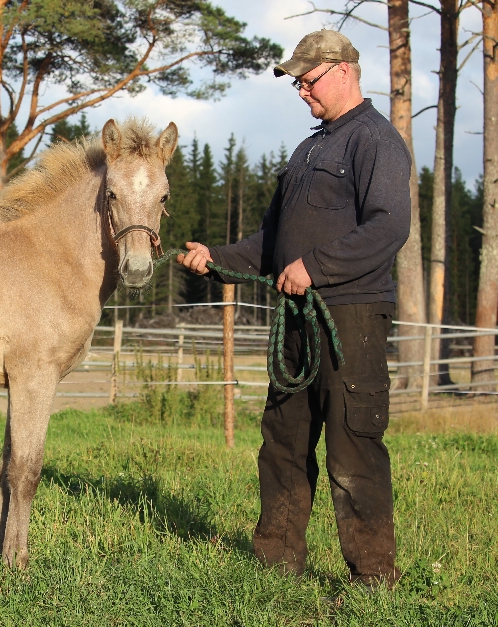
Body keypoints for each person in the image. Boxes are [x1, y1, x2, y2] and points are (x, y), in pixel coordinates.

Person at [177, 29, 410, 587]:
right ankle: (277, 564)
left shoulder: (377, 140)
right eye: (297, 83)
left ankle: (373, 576)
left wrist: (316, 268)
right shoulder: (309, 150)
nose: (301, 91)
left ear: (343, 71)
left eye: (308, 80)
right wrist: (216, 259)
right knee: (282, 440)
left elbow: (388, 226)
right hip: (296, 321)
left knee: (353, 445)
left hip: (349, 316)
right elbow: (271, 241)